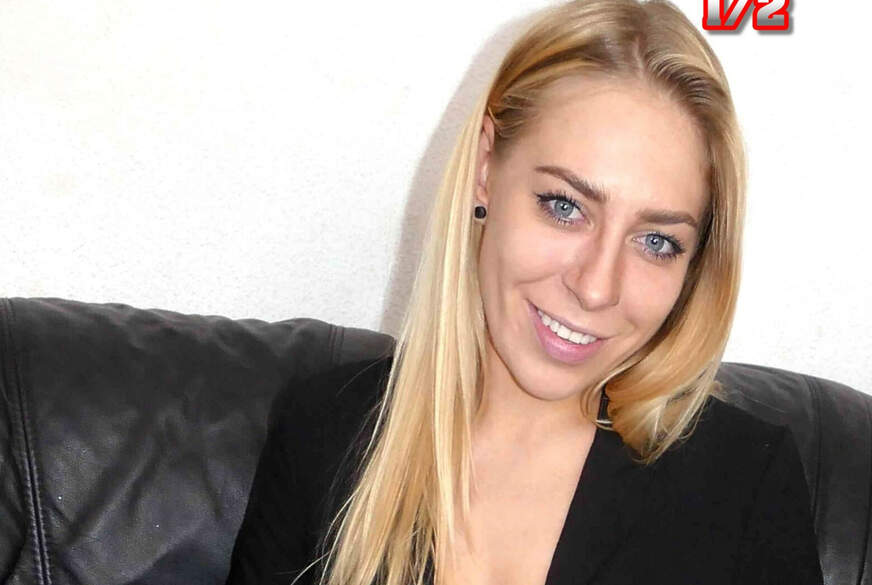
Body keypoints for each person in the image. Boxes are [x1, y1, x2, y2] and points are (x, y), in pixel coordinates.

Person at [225, 0, 824, 584]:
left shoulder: (745, 485)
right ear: (485, 167)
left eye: (656, 242)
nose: (595, 288)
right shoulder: (323, 434)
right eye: (565, 206)